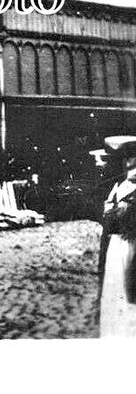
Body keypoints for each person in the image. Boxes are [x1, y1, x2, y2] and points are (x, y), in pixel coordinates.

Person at [99, 137, 136, 336]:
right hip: (117, 244)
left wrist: (115, 212)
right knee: (116, 297)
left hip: (128, 245)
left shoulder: (127, 187)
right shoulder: (120, 186)